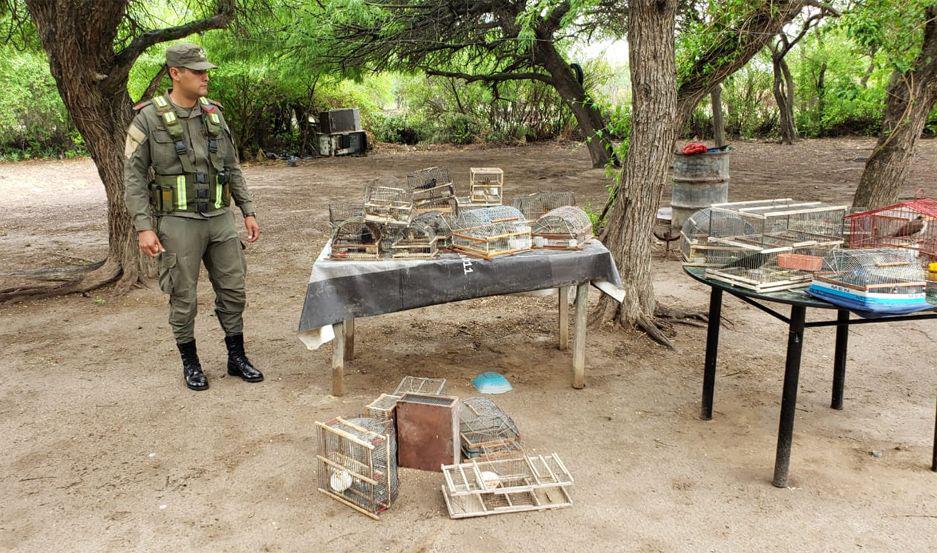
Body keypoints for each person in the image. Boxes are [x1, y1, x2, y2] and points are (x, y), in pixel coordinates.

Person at [123, 43, 263, 391]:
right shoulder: (148, 117)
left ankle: (236, 357)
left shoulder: (214, 114)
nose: (205, 76)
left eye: (205, 70)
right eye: (198, 70)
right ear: (175, 73)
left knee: (233, 289)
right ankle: (192, 363)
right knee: (183, 296)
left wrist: (248, 210)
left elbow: (232, 167)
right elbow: (134, 177)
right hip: (177, 222)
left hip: (219, 218)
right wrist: (143, 227)